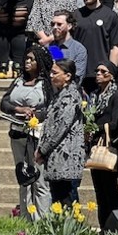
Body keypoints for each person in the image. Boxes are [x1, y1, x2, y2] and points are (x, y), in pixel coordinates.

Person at [0, 45, 53, 217]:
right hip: (17, 133)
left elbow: (51, 109)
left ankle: (42, 221)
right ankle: (24, 219)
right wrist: (19, 109)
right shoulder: (18, 81)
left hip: (37, 135)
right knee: (23, 178)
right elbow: (4, 103)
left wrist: (36, 114)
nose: (27, 62)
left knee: (39, 179)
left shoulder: (46, 85)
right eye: (26, 59)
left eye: (32, 59)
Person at [36, 59, 85, 207]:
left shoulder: (70, 96)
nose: (51, 76)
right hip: (55, 157)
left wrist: (42, 150)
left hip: (66, 158)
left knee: (67, 201)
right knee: (58, 201)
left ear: (68, 76)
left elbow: (60, 127)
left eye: (55, 73)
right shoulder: (59, 95)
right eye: (50, 72)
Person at [86, 64, 118, 227]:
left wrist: (95, 128)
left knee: (111, 190)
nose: (99, 74)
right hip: (95, 146)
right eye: (97, 71)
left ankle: (114, 226)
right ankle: (103, 227)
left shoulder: (116, 96)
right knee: (99, 191)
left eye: (103, 72)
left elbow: (115, 123)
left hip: (108, 146)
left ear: (112, 76)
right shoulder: (94, 95)